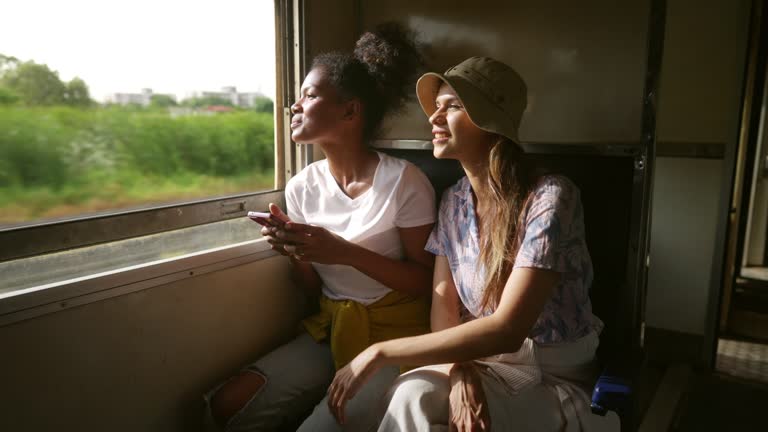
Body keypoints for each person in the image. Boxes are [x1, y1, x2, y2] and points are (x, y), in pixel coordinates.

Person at [326, 57, 620, 431]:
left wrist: (379, 352)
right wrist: (461, 375)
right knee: (411, 392)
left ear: (491, 121)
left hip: (553, 379)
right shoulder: (454, 202)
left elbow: (508, 330)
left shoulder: (550, 197)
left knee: (417, 401)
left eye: (453, 107)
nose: (434, 118)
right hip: (481, 365)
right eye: (436, 107)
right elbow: (444, 316)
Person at [205, 24, 436, 432]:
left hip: (394, 334)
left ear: (350, 111)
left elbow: (426, 283)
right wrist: (297, 252)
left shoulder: (404, 181)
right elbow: (313, 291)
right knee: (228, 405)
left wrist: (343, 251)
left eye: (309, 96)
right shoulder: (302, 187)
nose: (294, 106)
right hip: (332, 325)